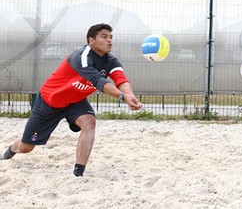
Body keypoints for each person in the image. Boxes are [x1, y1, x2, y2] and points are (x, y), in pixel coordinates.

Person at [2, 23, 143, 176]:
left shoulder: (111, 61)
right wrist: (122, 97)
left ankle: (78, 172)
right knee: (26, 147)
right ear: (91, 40)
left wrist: (130, 95)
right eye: (104, 36)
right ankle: (11, 149)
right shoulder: (81, 57)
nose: (109, 40)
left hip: (75, 101)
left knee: (89, 122)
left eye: (111, 37)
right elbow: (99, 81)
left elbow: (121, 80)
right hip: (50, 101)